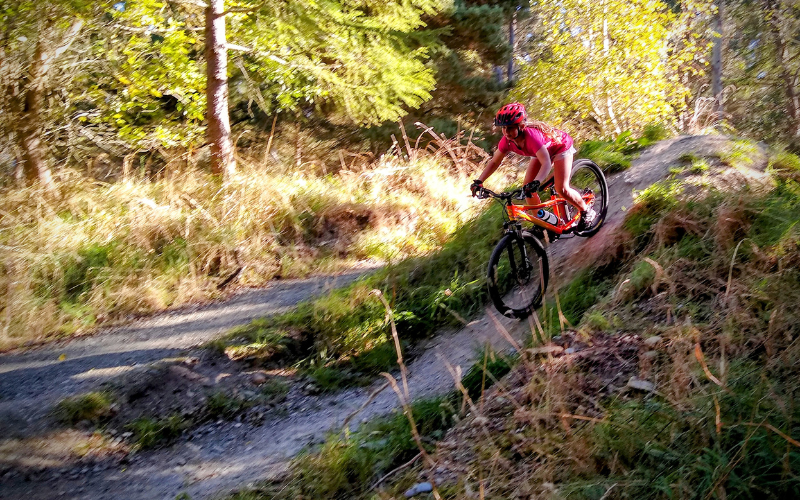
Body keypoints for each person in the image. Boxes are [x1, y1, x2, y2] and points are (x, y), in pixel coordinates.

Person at [470, 102, 596, 229]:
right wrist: (479, 181)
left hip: (560, 148)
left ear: (521, 126)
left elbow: (546, 163)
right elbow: (494, 162)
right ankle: (543, 222)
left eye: (510, 128)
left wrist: (537, 182)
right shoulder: (506, 142)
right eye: (503, 128)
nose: (506, 132)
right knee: (527, 189)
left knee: (561, 189)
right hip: (541, 153)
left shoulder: (532, 138)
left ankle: (586, 211)